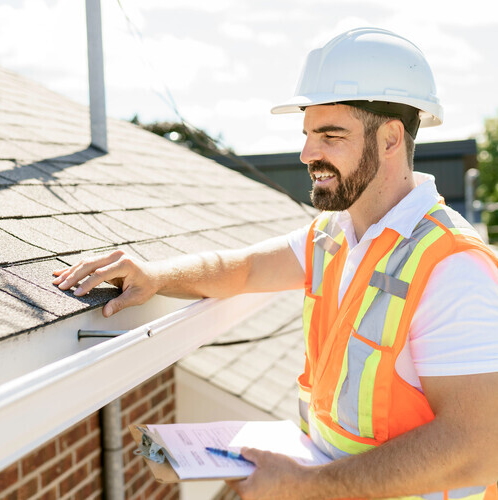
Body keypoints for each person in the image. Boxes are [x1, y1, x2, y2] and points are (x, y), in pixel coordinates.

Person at [53, 28, 498, 499]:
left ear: (391, 138)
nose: (308, 154)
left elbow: (480, 446)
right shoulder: (334, 235)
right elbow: (242, 269)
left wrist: (308, 486)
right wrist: (156, 275)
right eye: (307, 135)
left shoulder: (453, 267)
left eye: (330, 136)